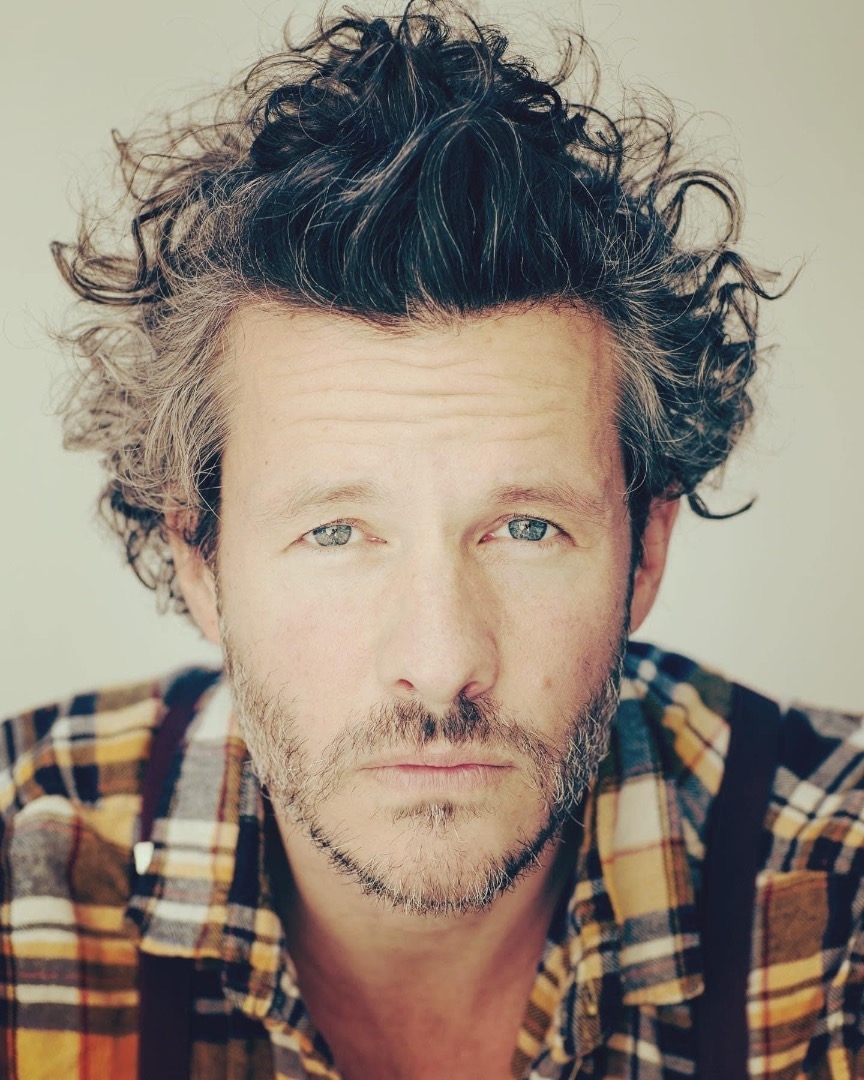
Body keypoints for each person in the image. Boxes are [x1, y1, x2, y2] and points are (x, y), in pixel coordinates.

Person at [1, 4, 861, 1078]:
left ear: (646, 550)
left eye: (526, 528)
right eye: (337, 532)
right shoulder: (24, 887)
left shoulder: (835, 885)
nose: (442, 661)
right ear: (200, 562)